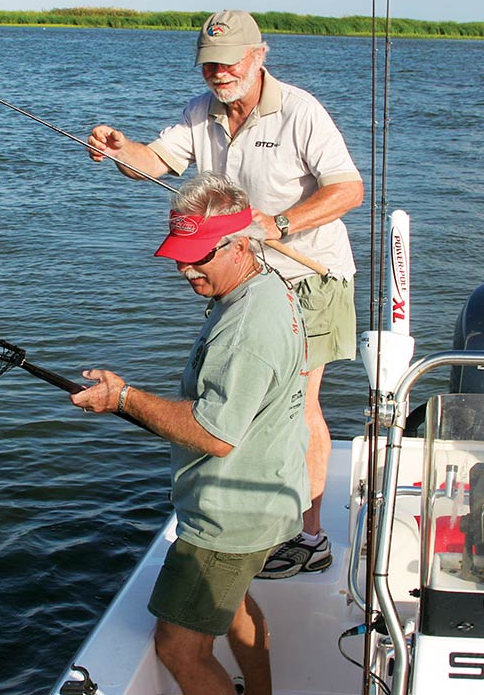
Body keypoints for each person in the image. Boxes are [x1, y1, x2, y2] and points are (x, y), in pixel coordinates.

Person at [86, 9, 363, 578]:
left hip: (310, 277)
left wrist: (278, 225)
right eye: (209, 63)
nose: (218, 73)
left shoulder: (300, 111)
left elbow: (348, 189)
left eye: (229, 61)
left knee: (297, 405)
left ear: (260, 56)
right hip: (245, 279)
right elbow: (154, 162)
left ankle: (308, 537)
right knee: (247, 406)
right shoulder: (200, 112)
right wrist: (120, 149)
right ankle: (257, 520)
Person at [71, 171, 309, 695]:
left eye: (200, 254)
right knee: (238, 604)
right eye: (180, 252)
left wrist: (124, 399)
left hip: (229, 517)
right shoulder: (266, 288)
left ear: (241, 242)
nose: (184, 267)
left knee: (178, 648)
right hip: (265, 497)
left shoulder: (246, 328)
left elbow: (214, 434)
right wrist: (125, 402)